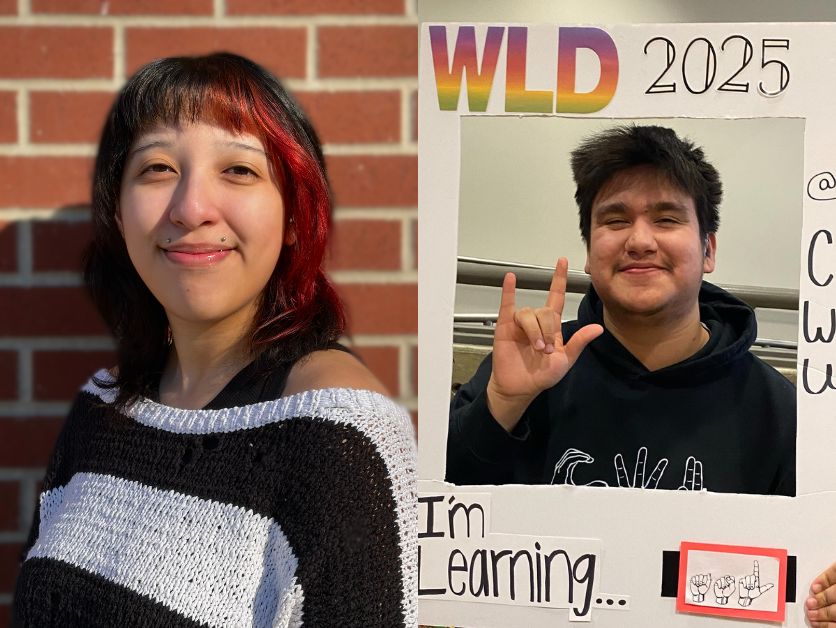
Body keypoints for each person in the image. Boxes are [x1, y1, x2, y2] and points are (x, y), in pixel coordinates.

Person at [12, 53, 416, 627]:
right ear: (119, 211)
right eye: (156, 168)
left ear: (295, 216)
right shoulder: (101, 407)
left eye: (239, 171)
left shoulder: (337, 434)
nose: (191, 208)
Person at [447, 124, 795, 495]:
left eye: (666, 219)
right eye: (616, 220)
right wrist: (503, 404)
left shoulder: (776, 410)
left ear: (708, 250)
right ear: (589, 253)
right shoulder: (531, 366)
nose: (639, 241)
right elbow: (430, 508)